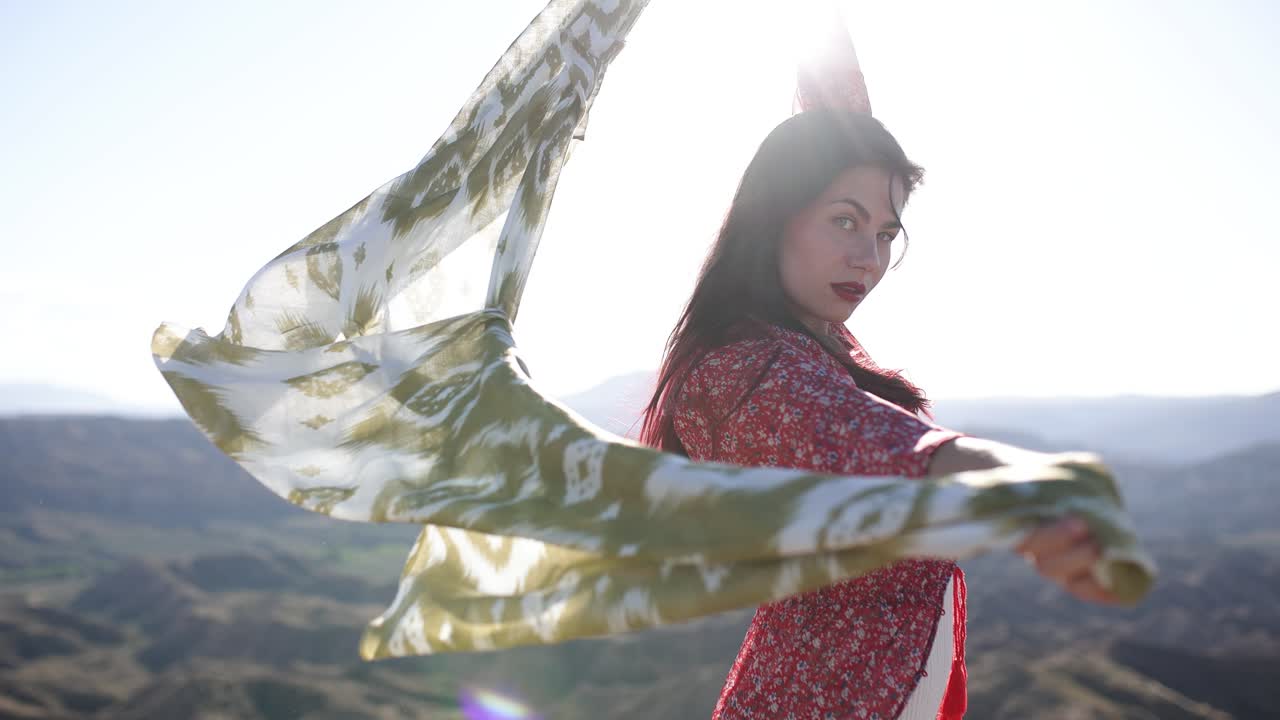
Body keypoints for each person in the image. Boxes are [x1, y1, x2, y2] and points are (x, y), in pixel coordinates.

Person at [637, 109, 1124, 719]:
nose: (869, 258)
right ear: (771, 216)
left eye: (887, 234)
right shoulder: (742, 375)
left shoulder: (812, 336)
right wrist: (1025, 484)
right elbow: (869, 445)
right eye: (845, 221)